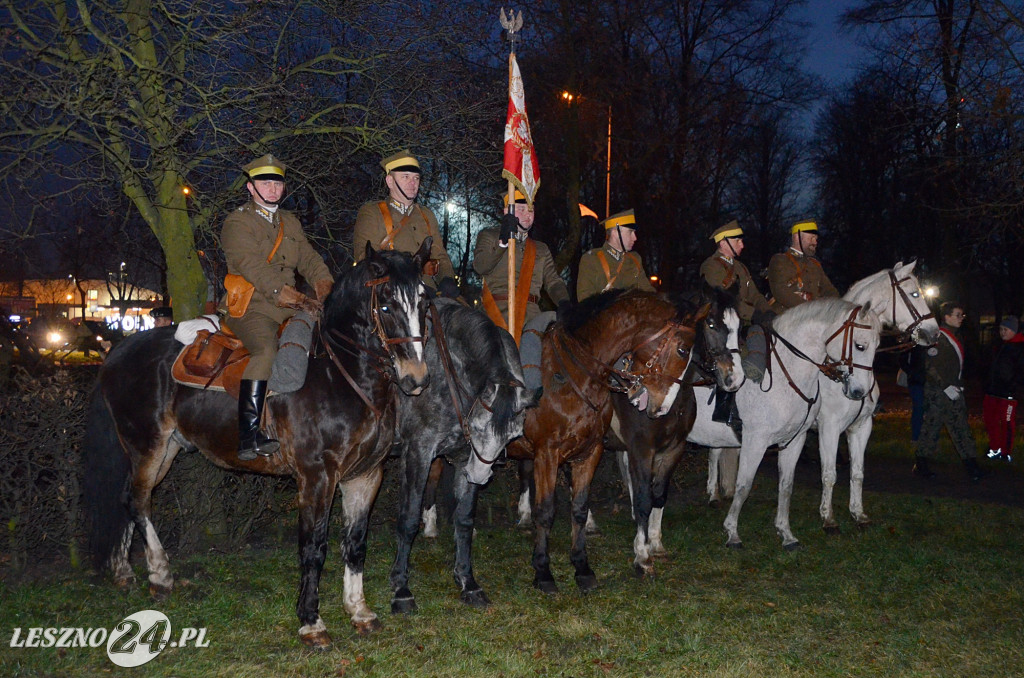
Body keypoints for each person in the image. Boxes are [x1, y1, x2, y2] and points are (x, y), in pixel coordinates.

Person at [221, 154, 334, 462]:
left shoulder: (290, 222)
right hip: (252, 306)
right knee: (266, 352)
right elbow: (253, 267)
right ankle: (248, 432)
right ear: (250, 187)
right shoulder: (238, 222)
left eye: (277, 183)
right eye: (265, 183)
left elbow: (309, 259)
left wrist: (325, 287)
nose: (272, 189)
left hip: (292, 302)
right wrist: (294, 298)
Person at [474, 189, 570, 392]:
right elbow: (480, 266)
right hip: (496, 314)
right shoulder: (489, 236)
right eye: (520, 208)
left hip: (532, 316)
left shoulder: (541, 249)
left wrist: (564, 301)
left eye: (531, 209)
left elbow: (553, 282)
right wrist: (503, 241)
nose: (528, 214)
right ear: (506, 211)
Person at [352, 149, 459, 298]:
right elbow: (366, 259)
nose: (412, 183)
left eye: (416, 178)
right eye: (405, 177)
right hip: (391, 293)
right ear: (390, 181)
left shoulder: (426, 214)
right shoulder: (372, 212)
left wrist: (447, 278)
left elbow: (439, 255)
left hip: (428, 291)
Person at [699, 220, 774, 426]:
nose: (742, 245)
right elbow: (723, 301)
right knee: (731, 354)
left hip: (743, 321)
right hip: (722, 325)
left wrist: (768, 312)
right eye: (737, 240)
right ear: (723, 242)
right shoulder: (711, 266)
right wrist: (754, 314)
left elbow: (756, 295)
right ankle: (725, 408)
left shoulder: (740, 267)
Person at [913, 301, 985, 481]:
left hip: (954, 389)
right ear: (947, 317)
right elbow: (929, 366)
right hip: (938, 392)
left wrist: (957, 384)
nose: (961, 318)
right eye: (958, 315)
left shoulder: (956, 335)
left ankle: (972, 466)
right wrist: (944, 386)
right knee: (932, 427)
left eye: (962, 315)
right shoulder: (937, 337)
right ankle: (921, 465)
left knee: (961, 427)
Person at [576, 209, 654, 301]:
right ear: (615, 233)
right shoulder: (591, 259)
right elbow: (585, 301)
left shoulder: (635, 260)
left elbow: (649, 294)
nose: (635, 238)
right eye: (630, 232)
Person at [767, 220, 839, 313]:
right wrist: (810, 309)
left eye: (816, 239)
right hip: (787, 316)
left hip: (814, 318)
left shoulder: (815, 265)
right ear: (797, 237)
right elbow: (780, 291)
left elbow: (829, 291)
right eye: (811, 238)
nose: (815, 242)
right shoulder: (780, 260)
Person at [983, 316, 1024, 462]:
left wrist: (1013, 388)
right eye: (1000, 329)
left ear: (1014, 330)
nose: (1002, 332)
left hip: (1008, 394)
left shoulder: (1019, 348)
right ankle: (995, 448)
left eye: (1005, 329)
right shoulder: (1000, 346)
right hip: (993, 392)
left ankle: (1006, 453)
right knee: (990, 421)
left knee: (1007, 423)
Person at [899, 343, 929, 443]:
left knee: (928, 408)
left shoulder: (933, 340)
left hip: (929, 381)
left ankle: (927, 436)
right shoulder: (913, 342)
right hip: (917, 381)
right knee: (919, 408)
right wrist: (913, 373)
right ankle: (916, 437)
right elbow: (902, 360)